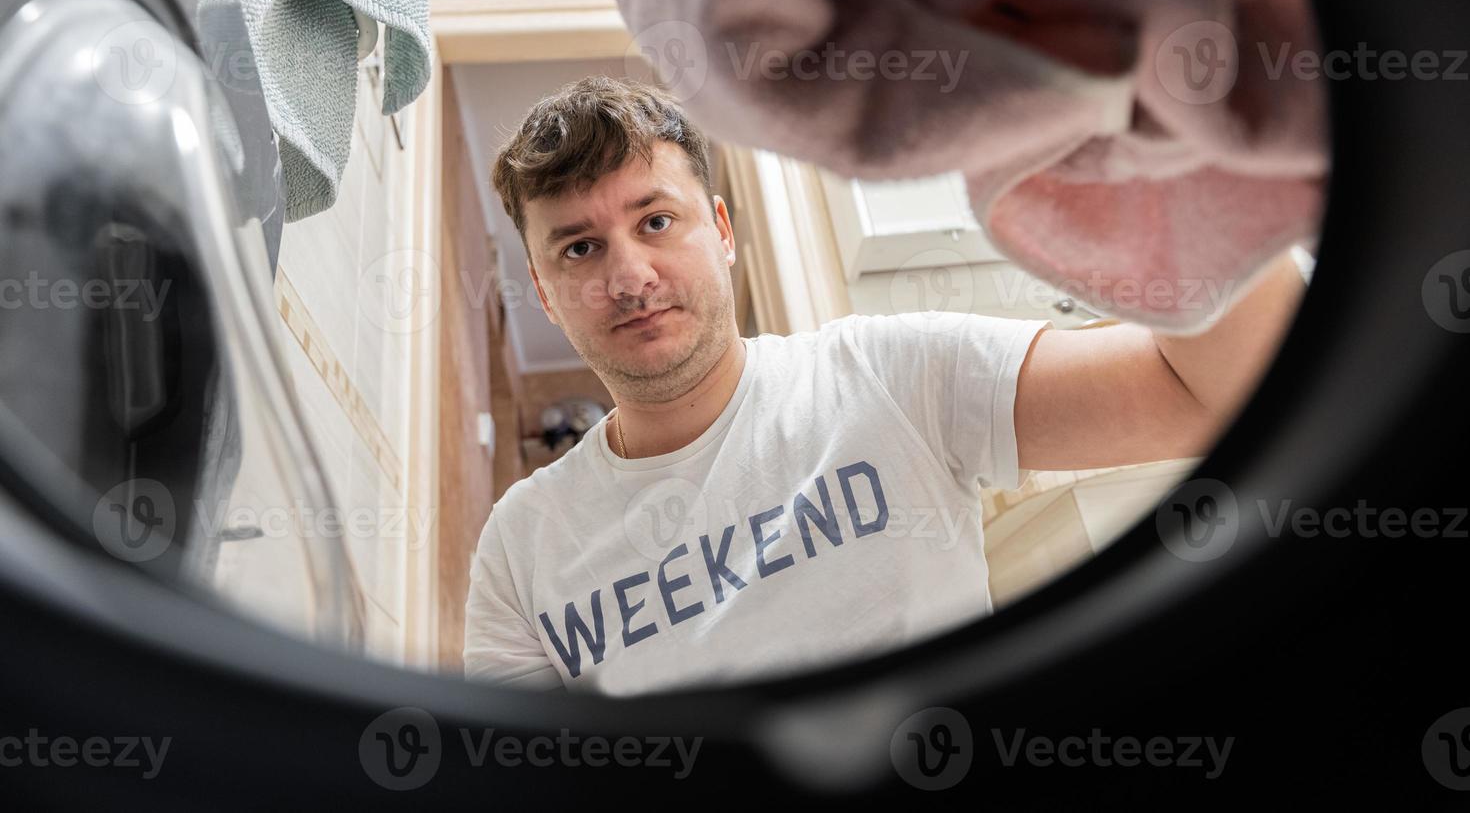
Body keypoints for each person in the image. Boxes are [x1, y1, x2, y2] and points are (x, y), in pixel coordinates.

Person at [463, 76, 1305, 696]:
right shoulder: (521, 543)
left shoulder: (897, 374)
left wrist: (1167, 139)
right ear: (542, 290)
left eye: (656, 221)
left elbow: (1212, 394)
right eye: (579, 248)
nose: (630, 274)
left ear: (721, 231)